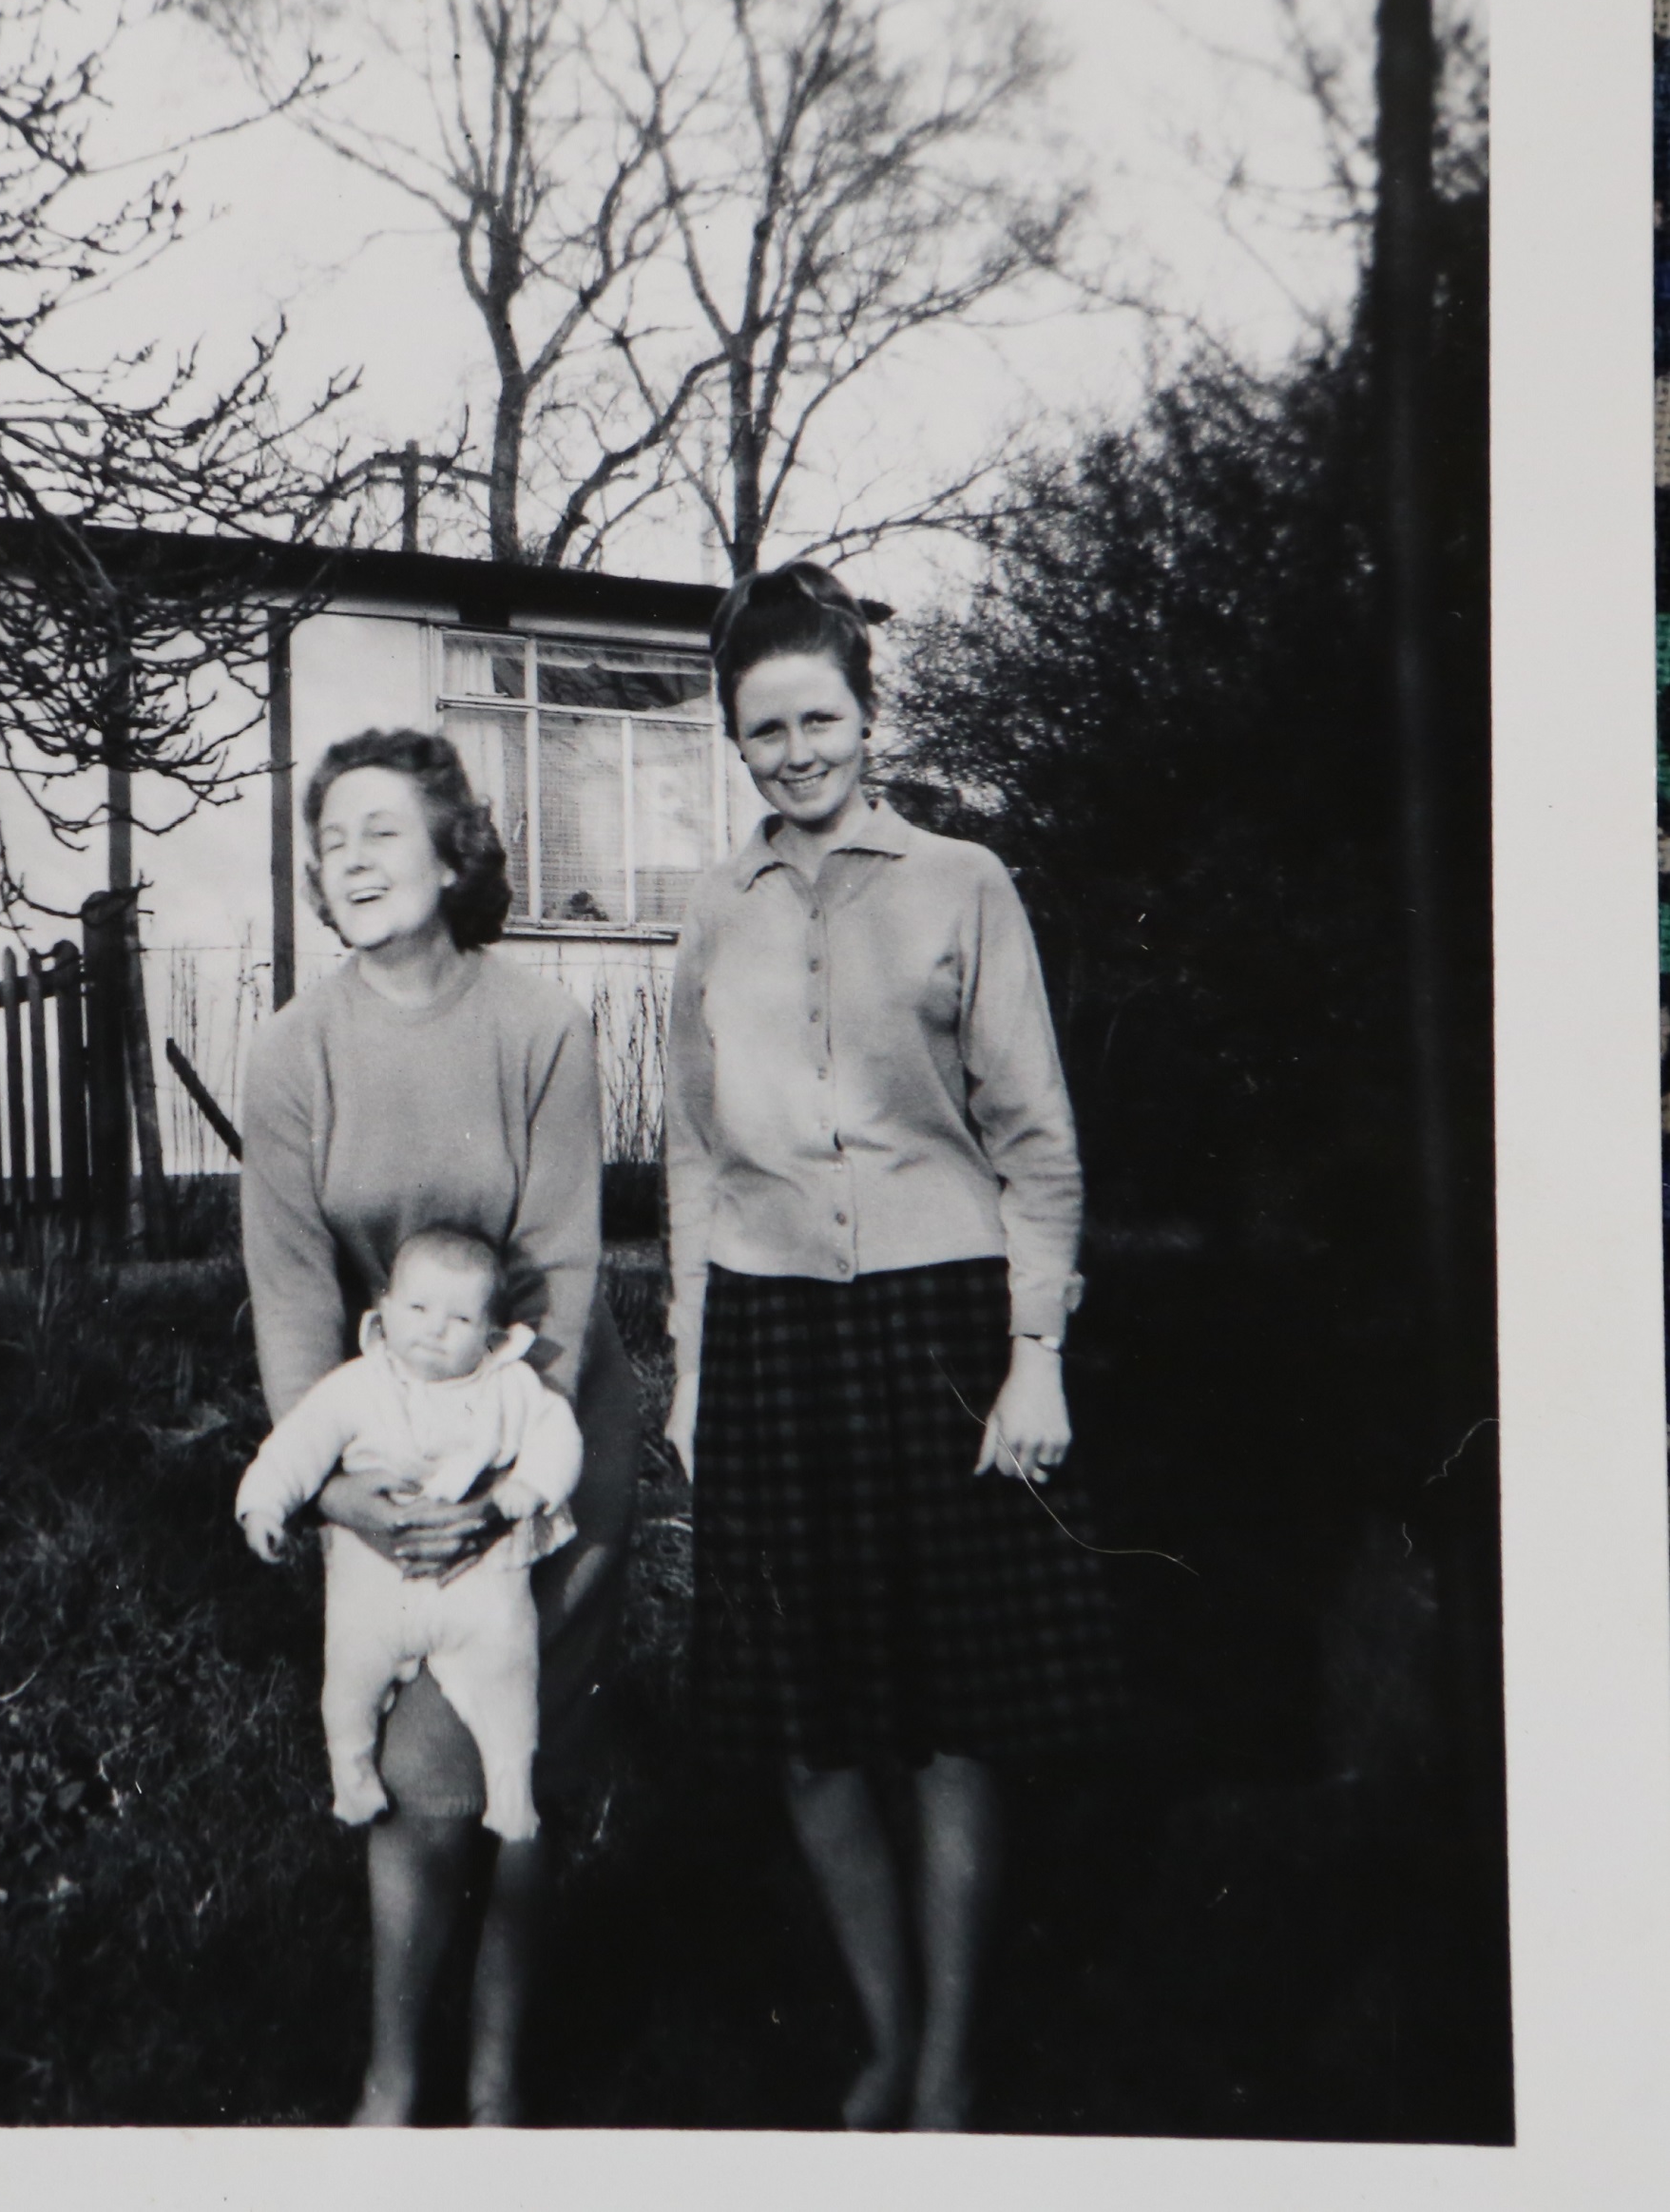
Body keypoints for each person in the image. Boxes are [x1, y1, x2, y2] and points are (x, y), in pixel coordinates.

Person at [663, 558, 1126, 2134]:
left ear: (868, 715)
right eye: (760, 729)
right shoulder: (711, 913)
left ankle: (946, 2060)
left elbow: (1038, 1138)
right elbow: (689, 1151)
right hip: (774, 1329)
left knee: (950, 1715)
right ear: (734, 739)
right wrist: (690, 1365)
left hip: (941, 1317)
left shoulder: (960, 882)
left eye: (816, 718)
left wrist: (1036, 1347)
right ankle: (885, 2024)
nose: (791, 751)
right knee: (806, 1725)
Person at [241, 726, 637, 2127]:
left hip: (542, 1448)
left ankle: (483, 2089)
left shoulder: (539, 1027)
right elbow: (292, 1298)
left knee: (489, 1767)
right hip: (385, 1455)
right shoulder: (291, 1054)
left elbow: (566, 1270)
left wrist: (510, 1490)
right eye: (329, 838)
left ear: (452, 846)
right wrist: (341, 1485)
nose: (348, 859)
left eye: (380, 831)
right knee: (420, 1773)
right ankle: (397, 2087)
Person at [236, 1223, 585, 1846]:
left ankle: (511, 1788)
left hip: (477, 1578)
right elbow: (299, 1442)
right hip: (377, 1576)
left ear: (492, 1334)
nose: (434, 1328)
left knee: (509, 1667)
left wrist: (524, 1490)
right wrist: (265, 1506)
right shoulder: (356, 1385)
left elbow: (558, 1435)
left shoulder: (509, 1386)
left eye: (459, 1318)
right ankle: (352, 1768)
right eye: (418, 1309)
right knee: (349, 1671)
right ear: (385, 1314)